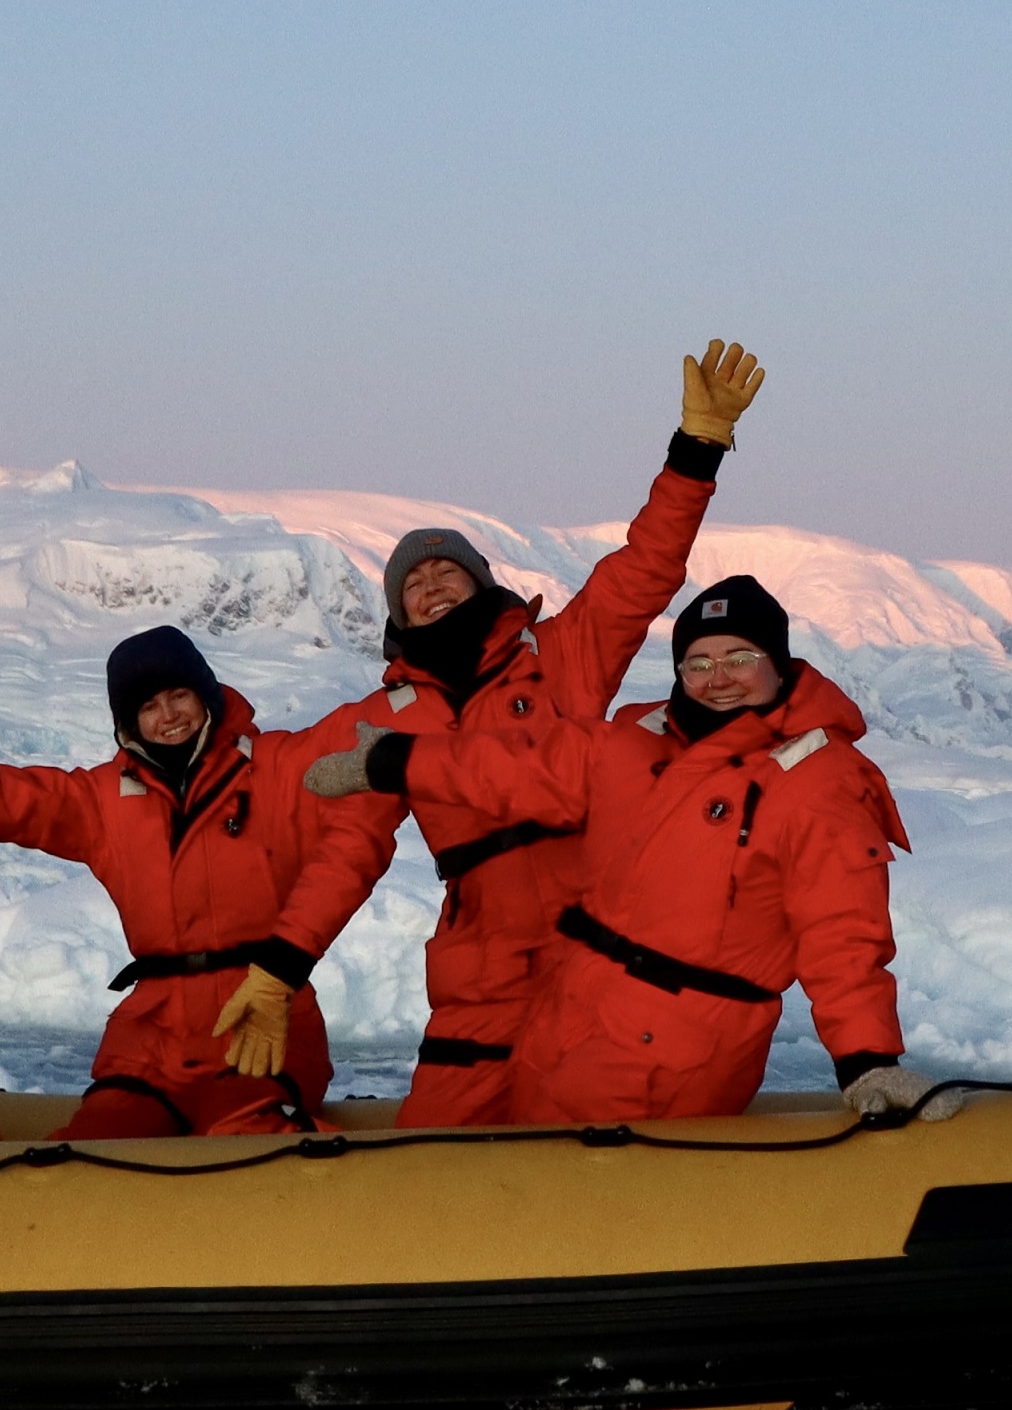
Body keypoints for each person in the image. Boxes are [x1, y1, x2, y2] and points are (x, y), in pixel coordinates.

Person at [312, 342, 765, 1125]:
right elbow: (303, 811)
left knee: (595, 1127)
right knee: (436, 1151)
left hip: (594, 949)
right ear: (397, 617)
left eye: (446, 572)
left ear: (484, 586)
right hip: (478, 973)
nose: (431, 584)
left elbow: (646, 568)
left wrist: (697, 449)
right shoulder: (382, 719)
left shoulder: (564, 656)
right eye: (412, 584)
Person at [310, 573, 929, 1127]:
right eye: (698, 663)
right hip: (570, 1023)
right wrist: (396, 760)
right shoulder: (639, 740)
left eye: (739, 657)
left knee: (581, 1207)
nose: (718, 679)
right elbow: (520, 766)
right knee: (517, 1177)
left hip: (671, 1056)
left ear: (779, 662)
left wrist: (867, 1060)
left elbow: (843, 935)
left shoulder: (820, 782)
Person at [0, 625, 400, 1137]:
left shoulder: (279, 770)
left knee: (248, 1141)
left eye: (179, 696)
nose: (169, 715)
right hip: (151, 1040)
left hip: (259, 1028)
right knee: (102, 1146)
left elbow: (379, 719)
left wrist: (429, 666)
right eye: (149, 706)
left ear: (207, 695)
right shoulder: (101, 802)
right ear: (127, 721)